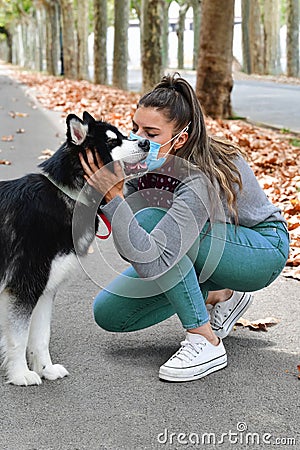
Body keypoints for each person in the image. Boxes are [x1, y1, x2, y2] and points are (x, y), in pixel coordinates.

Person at [80, 73, 289, 383]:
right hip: (203, 248)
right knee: (110, 313)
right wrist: (112, 197)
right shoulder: (143, 167)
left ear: (181, 138)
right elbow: (136, 249)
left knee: (152, 222)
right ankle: (222, 292)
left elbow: (152, 253)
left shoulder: (198, 175)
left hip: (259, 251)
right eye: (135, 127)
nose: (138, 138)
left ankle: (204, 340)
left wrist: (116, 200)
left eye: (151, 132)